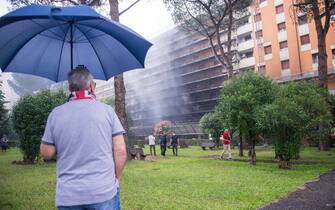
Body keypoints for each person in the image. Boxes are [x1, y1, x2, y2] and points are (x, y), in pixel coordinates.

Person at [40, 65, 127, 210]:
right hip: (103, 191)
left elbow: (46, 153)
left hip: (68, 196)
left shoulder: (56, 114)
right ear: (92, 86)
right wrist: (115, 179)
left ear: (70, 88)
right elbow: (121, 151)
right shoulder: (107, 111)